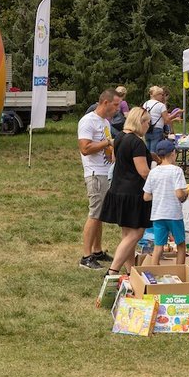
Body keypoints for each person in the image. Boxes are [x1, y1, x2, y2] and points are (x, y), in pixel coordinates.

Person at [100, 107, 152, 274]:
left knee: (127, 234)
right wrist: (159, 179)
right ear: (140, 122)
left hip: (118, 189)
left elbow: (115, 159)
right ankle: (113, 270)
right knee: (136, 233)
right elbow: (143, 171)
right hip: (133, 192)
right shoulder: (136, 142)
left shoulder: (120, 137)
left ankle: (131, 271)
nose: (149, 126)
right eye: (148, 122)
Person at [77, 88, 121, 269]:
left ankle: (97, 250)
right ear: (105, 102)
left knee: (100, 213)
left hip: (105, 171)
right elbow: (85, 148)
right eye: (115, 104)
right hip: (95, 173)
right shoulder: (88, 121)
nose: (118, 108)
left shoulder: (105, 122)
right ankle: (86, 257)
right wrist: (107, 143)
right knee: (95, 213)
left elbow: (106, 147)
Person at [143, 139, 188, 266]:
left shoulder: (153, 172)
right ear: (173, 153)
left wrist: (158, 195)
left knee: (158, 246)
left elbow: (146, 196)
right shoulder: (176, 170)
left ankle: (153, 273)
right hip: (174, 214)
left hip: (158, 214)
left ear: (158, 156)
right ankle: (180, 272)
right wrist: (186, 194)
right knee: (180, 244)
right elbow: (179, 194)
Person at [142, 86, 180, 154]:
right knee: (154, 151)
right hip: (157, 129)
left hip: (147, 128)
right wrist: (176, 114)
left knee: (147, 149)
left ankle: (148, 162)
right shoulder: (161, 105)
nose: (162, 97)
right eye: (161, 94)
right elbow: (166, 120)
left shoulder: (146, 103)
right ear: (157, 95)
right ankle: (154, 163)